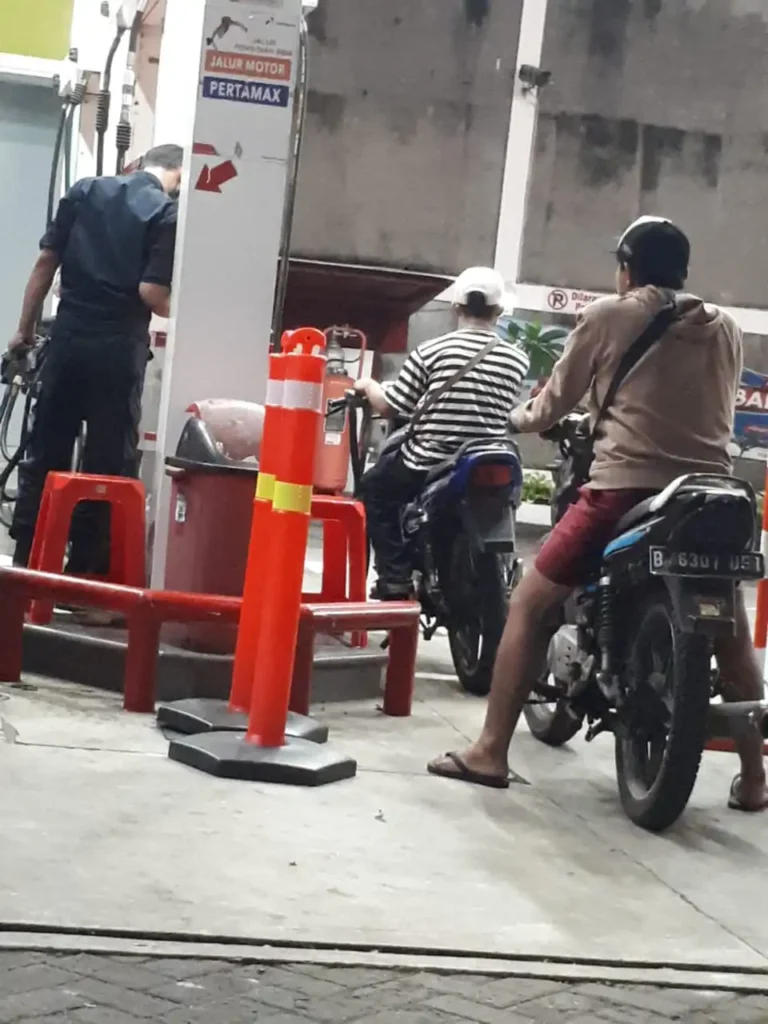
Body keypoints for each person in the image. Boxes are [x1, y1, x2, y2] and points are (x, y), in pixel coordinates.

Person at [428, 216, 768, 813]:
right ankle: (757, 777)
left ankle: (489, 751)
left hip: (624, 493)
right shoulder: (725, 328)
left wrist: (517, 418)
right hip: (713, 496)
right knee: (732, 630)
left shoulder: (609, 315)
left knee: (529, 604)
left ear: (627, 269)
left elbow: (552, 403)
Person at [7, 143, 183, 573]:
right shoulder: (166, 212)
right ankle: (86, 573)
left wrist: (24, 331)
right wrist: (186, 306)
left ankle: (28, 561)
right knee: (106, 464)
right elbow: (152, 294)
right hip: (118, 352)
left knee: (45, 452)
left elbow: (45, 263)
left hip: (67, 342)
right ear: (178, 175)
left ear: (137, 164)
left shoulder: (85, 190)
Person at [354, 266, 529, 599]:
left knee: (375, 490)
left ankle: (395, 576)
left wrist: (368, 386)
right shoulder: (517, 360)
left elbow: (392, 406)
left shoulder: (430, 351)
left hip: (431, 461)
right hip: (489, 457)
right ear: (499, 310)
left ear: (456, 307)